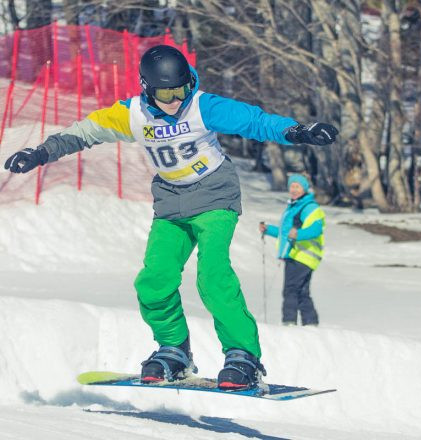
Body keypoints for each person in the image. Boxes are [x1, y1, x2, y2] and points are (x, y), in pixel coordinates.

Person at [4, 45, 338, 389]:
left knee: (213, 277)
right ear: (147, 87)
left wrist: (298, 131)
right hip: (171, 201)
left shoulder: (201, 105)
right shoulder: (132, 114)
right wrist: (41, 152)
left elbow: (254, 121)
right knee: (153, 282)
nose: (176, 99)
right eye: (167, 93)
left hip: (215, 195)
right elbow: (85, 132)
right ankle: (174, 350)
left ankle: (243, 356)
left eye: (182, 89)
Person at [259, 174, 325, 326]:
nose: (294, 190)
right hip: (297, 255)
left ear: (305, 188)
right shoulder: (295, 207)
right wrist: (268, 230)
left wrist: (298, 234)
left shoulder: (310, 207)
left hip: (301, 255)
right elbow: (285, 233)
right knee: (302, 292)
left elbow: (316, 229)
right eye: (292, 186)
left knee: (290, 289)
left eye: (297, 186)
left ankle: (289, 323)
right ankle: (311, 324)